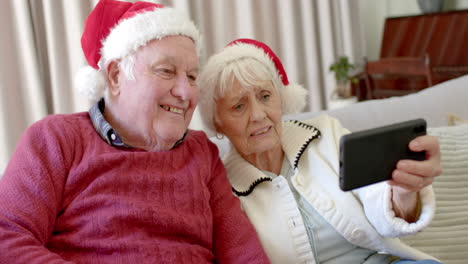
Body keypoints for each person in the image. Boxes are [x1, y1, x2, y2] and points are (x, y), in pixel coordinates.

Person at [0, 2, 270, 263]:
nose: (186, 92)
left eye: (191, 76)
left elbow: (243, 254)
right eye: (166, 71)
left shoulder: (202, 153)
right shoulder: (56, 139)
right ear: (116, 76)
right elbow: (8, 238)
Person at [198, 38, 443, 264]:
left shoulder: (326, 133)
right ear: (217, 122)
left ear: (281, 98)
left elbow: (378, 202)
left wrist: (402, 191)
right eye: (239, 106)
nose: (259, 115)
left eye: (265, 96)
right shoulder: (221, 188)